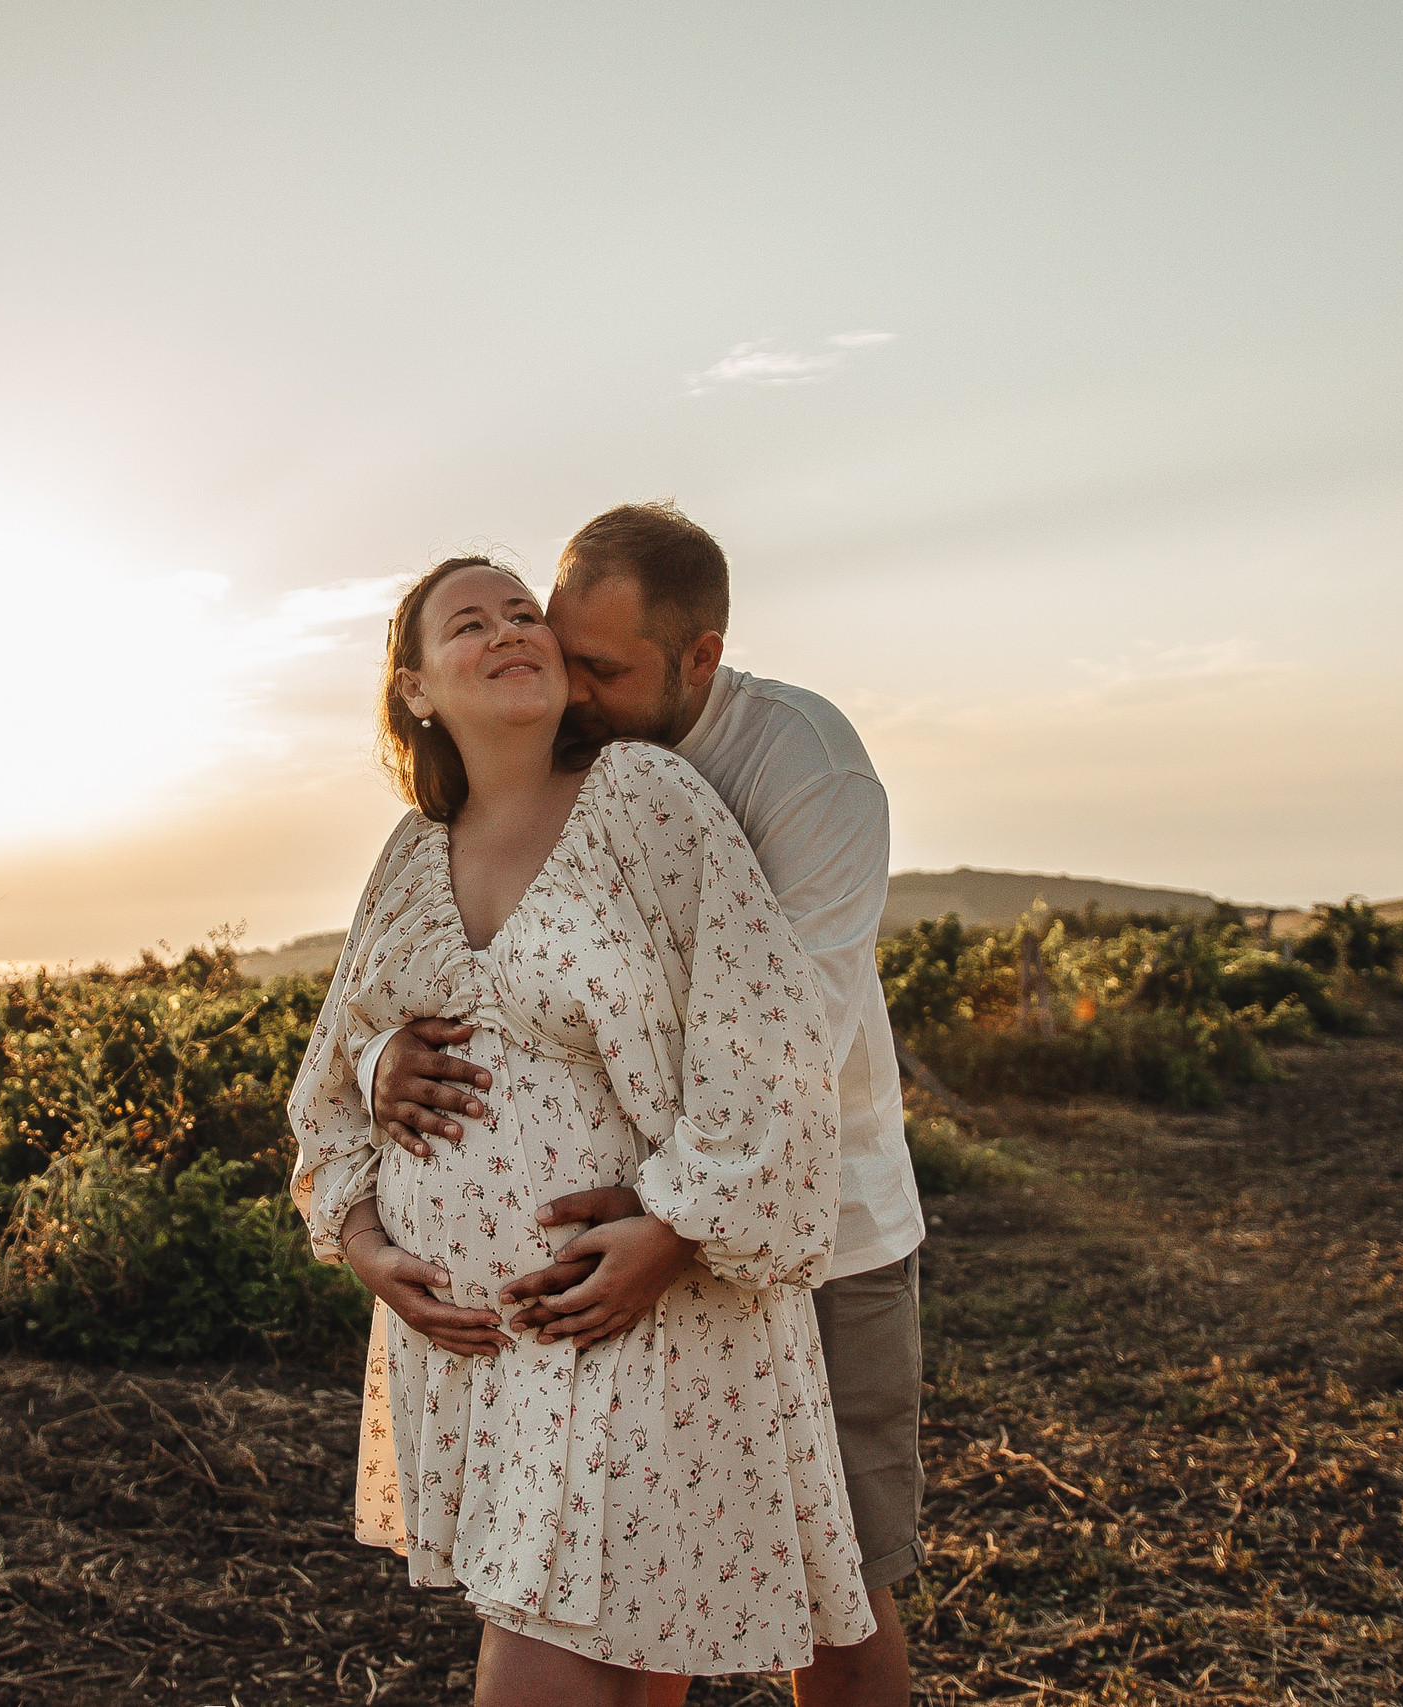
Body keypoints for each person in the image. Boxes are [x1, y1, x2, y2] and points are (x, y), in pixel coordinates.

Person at [360, 504, 927, 1707]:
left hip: (817, 1230)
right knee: (629, 1602)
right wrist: (375, 1075)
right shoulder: (470, 823)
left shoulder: (793, 768)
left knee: (840, 1587)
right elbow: (385, 1019)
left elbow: (791, 1034)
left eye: (601, 669)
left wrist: (670, 1226)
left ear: (699, 659)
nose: (574, 686)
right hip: (591, 1286)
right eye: (561, 650)